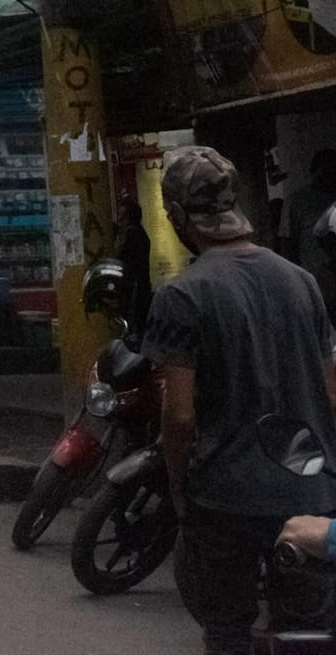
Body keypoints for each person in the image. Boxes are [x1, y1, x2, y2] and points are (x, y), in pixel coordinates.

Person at [139, 146, 336, 654]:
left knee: (227, 629)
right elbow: (329, 391)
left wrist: (178, 484)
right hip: (309, 489)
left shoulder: (182, 297)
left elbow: (179, 415)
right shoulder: (303, 282)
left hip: (228, 496)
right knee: (307, 633)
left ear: (179, 217)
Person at [284, 149, 336, 313]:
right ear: (314, 172)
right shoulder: (297, 201)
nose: (329, 176)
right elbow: (288, 242)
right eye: (324, 171)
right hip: (313, 280)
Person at [115, 202, 154, 333]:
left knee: (134, 326)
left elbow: (123, 258)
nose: (118, 217)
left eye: (121, 214)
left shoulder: (131, 234)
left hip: (134, 288)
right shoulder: (140, 233)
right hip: (141, 286)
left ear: (127, 216)